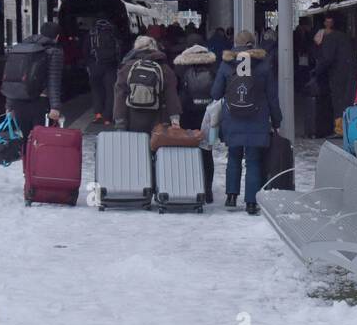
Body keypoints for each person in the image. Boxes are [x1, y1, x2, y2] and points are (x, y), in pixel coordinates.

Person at [211, 29, 282, 215]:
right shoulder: (264, 65)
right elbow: (272, 97)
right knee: (253, 161)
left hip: (232, 118)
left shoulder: (226, 64)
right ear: (253, 43)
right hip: (256, 119)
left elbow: (216, 93)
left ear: (235, 43)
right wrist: (277, 120)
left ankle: (231, 196)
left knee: (233, 157)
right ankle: (251, 202)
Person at [1, 21, 65, 141]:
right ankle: (37, 160)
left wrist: (9, 105)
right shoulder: (54, 51)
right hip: (40, 100)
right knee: (40, 140)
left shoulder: (20, 49)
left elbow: (13, 78)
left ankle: (27, 159)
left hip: (19, 99)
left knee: (25, 139)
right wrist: (55, 107)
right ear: (57, 36)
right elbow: (53, 80)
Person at [174, 34, 217, 204]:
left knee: (188, 151)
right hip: (207, 116)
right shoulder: (213, 67)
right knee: (207, 152)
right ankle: (207, 190)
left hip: (187, 115)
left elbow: (177, 93)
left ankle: (190, 186)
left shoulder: (181, 68)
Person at [113, 34, 181, 134]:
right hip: (158, 119)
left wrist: (119, 120)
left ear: (136, 48)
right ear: (154, 47)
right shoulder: (164, 68)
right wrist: (175, 119)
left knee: (135, 146)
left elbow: (120, 95)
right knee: (155, 146)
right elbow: (171, 95)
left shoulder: (127, 67)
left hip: (132, 118)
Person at [312, 14, 355, 136]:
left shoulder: (329, 39)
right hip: (348, 72)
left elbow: (326, 58)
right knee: (346, 99)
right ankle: (346, 126)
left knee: (338, 100)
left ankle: (339, 129)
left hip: (337, 74)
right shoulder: (343, 37)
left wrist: (316, 71)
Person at [82, 17, 120, 124]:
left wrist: (89, 64)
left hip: (95, 66)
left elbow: (85, 50)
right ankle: (107, 118)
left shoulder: (91, 34)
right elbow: (120, 49)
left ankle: (98, 115)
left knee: (96, 90)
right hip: (111, 67)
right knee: (110, 92)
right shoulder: (113, 33)